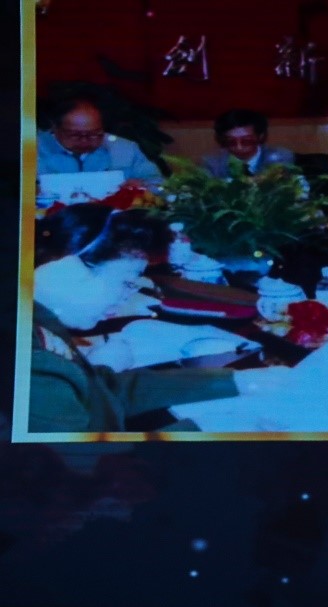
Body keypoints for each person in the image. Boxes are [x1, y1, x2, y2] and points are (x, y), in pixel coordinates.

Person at [29, 208, 288, 433]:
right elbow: (83, 461)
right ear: (64, 272)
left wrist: (238, 381)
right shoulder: (36, 362)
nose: (126, 297)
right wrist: (210, 428)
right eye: (127, 282)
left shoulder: (42, 326)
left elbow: (104, 390)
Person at [36, 95, 162, 187]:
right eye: (75, 135)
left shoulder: (124, 149)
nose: (84, 141)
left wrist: (143, 187)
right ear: (55, 128)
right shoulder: (32, 150)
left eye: (94, 134)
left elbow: (159, 184)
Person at [202, 109, 295, 177]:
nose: (239, 146)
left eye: (246, 141)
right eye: (231, 141)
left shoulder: (280, 158)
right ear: (222, 139)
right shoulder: (213, 163)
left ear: (260, 136)